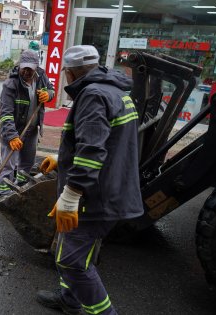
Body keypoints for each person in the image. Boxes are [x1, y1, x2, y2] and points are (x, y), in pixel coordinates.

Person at [35, 45, 144, 314]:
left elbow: (92, 150)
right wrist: (63, 161)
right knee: (74, 251)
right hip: (110, 188)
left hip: (95, 197)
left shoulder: (93, 95)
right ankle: (69, 300)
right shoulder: (115, 91)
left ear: (70, 74)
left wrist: (71, 195)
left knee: (71, 261)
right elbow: (107, 144)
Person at [0, 49, 55, 195]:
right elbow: (6, 114)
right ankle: (2, 193)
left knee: (27, 162)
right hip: (13, 130)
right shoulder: (11, 84)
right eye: (24, 68)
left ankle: (20, 186)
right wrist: (12, 136)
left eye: (31, 68)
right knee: (8, 164)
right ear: (20, 65)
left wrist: (49, 94)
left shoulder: (41, 76)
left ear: (36, 67)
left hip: (32, 129)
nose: (27, 71)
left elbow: (51, 89)